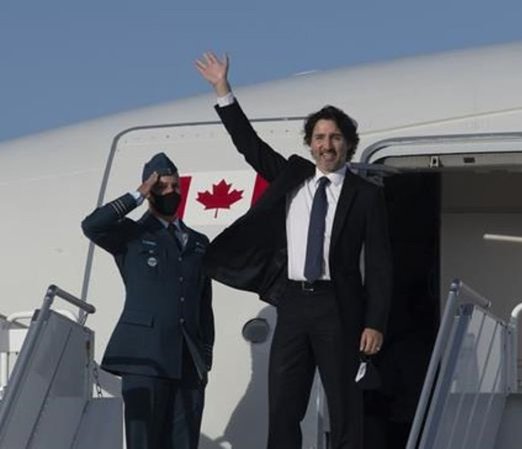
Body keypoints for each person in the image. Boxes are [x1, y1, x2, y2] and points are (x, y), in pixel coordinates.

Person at [195, 52, 392, 449]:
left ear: (347, 144)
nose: (326, 145)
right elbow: (249, 146)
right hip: (294, 304)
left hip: (339, 306)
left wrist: (375, 322)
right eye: (319, 138)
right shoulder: (293, 176)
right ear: (310, 144)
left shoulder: (365, 195)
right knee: (284, 404)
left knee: (344, 405)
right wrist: (222, 90)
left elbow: (380, 264)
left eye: (334, 138)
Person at [81, 153, 214, 449]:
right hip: (146, 357)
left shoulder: (197, 242)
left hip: (188, 359)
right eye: (162, 187)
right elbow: (92, 225)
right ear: (151, 191)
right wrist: (137, 195)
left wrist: (205, 356)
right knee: (144, 442)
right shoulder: (131, 234)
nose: (170, 192)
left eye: (175, 186)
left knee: (184, 443)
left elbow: (203, 303)